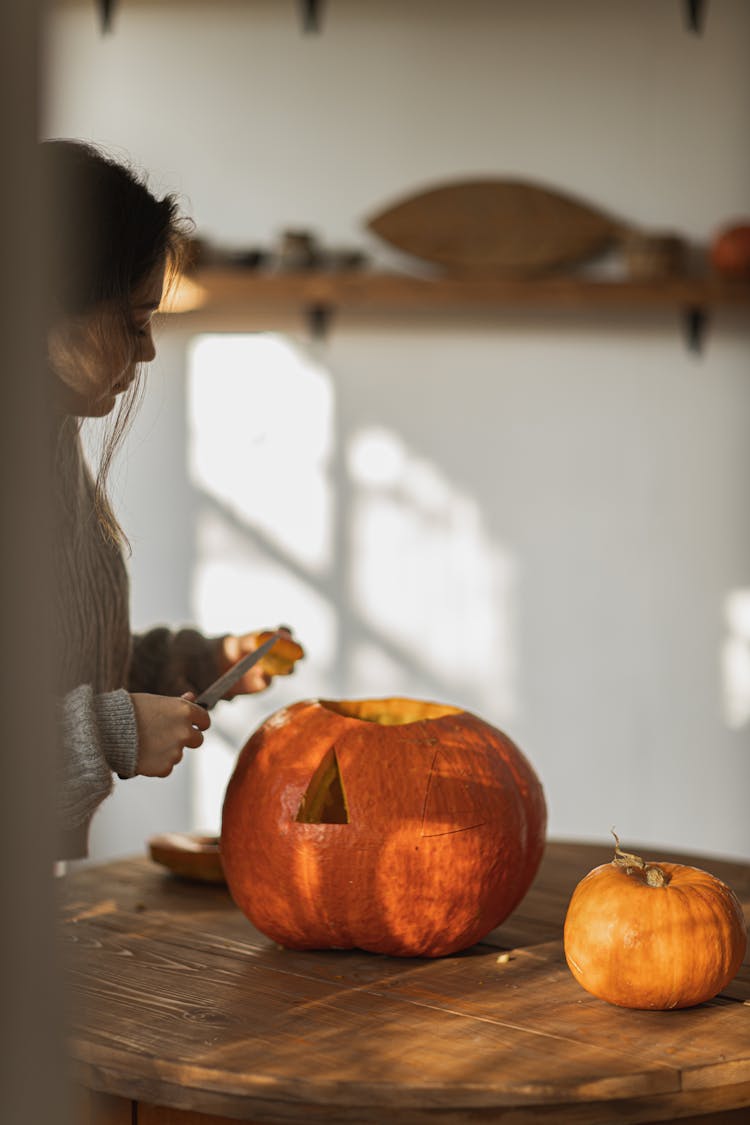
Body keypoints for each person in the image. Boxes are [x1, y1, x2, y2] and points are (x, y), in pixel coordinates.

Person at [45, 139, 300, 859]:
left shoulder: (49, 438)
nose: (149, 351)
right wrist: (112, 729)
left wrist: (198, 660)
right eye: (132, 322)